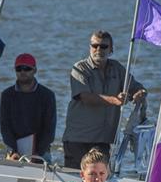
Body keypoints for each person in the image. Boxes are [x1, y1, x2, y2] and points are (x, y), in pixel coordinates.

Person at [62, 30, 147, 169]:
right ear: (90, 47)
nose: (98, 49)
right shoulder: (80, 68)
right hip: (78, 140)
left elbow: (137, 87)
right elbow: (85, 97)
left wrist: (140, 93)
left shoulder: (117, 69)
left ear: (111, 49)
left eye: (103, 46)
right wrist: (115, 100)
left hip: (103, 140)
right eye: (94, 46)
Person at [0, 53, 56, 163]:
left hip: (41, 152)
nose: (23, 72)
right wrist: (13, 151)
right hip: (14, 151)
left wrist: (37, 153)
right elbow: (5, 127)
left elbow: (49, 129)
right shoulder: (6, 95)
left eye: (27, 68)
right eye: (19, 69)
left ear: (35, 70)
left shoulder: (47, 95)